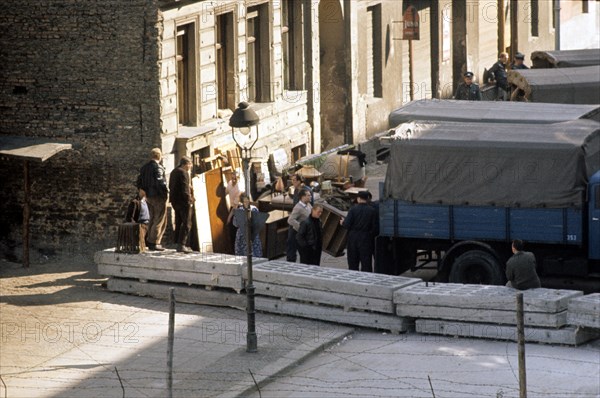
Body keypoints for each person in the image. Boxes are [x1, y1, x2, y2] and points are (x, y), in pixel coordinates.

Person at [137, 148, 168, 251]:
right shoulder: (158, 168)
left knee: (151, 218)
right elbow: (160, 182)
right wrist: (165, 194)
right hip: (158, 196)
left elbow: (139, 181)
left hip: (148, 197)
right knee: (159, 219)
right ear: (159, 156)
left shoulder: (144, 168)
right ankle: (154, 242)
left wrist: (143, 191)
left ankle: (148, 239)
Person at [341, 190, 377, 272]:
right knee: (366, 263)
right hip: (366, 238)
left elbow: (347, 224)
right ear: (367, 199)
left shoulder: (353, 210)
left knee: (353, 262)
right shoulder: (372, 211)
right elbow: (374, 227)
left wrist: (342, 222)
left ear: (358, 198)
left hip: (353, 238)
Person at [169, 156, 194, 253]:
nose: (191, 167)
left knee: (178, 221)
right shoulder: (184, 173)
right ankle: (182, 244)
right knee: (187, 223)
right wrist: (189, 200)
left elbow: (170, 186)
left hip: (175, 201)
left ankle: (177, 242)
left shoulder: (174, 171)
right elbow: (184, 190)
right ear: (186, 164)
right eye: (190, 164)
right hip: (183, 201)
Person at [233, 192, 263, 257]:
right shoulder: (239, 210)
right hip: (242, 234)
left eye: (247, 200)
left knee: (254, 252)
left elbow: (257, 221)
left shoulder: (254, 209)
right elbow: (235, 223)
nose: (246, 202)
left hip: (252, 232)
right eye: (244, 201)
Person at [287, 189, 313, 262]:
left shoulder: (308, 205)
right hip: (295, 233)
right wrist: (301, 228)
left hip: (304, 234)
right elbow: (290, 220)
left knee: (305, 253)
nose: (310, 197)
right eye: (308, 195)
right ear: (303, 197)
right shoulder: (298, 207)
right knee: (292, 253)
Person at [226, 171, 241, 253]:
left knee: (235, 228)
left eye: (235, 178)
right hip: (232, 207)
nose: (234, 180)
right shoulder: (230, 183)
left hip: (238, 208)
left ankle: (236, 250)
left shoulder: (239, 188)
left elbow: (235, 206)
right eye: (232, 178)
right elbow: (225, 192)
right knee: (232, 230)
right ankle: (232, 249)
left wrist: (229, 217)